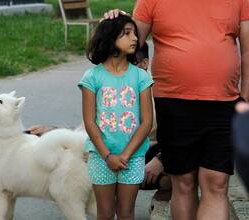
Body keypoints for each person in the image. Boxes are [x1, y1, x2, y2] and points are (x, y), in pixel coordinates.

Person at [105, 0, 249, 219]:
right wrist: (115, 23)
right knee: (183, 182)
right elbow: (131, 43)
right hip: (172, 101)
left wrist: (245, 98)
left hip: (224, 102)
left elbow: (248, 50)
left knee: (217, 183)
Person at [28, 42, 171, 195]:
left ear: (144, 64)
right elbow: (88, 128)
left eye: (130, 62)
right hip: (109, 153)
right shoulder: (106, 83)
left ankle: (164, 195)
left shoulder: (159, 90)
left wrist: (161, 160)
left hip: (146, 154)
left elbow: (180, 133)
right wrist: (55, 132)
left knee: (177, 169)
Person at [79, 15, 153, 220]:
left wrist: (126, 155)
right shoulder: (92, 77)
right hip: (101, 157)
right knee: (104, 213)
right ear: (110, 38)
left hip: (133, 157)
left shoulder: (141, 77)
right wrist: (107, 156)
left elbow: (147, 122)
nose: (135, 39)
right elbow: (89, 122)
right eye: (127, 33)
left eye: (134, 34)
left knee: (126, 212)